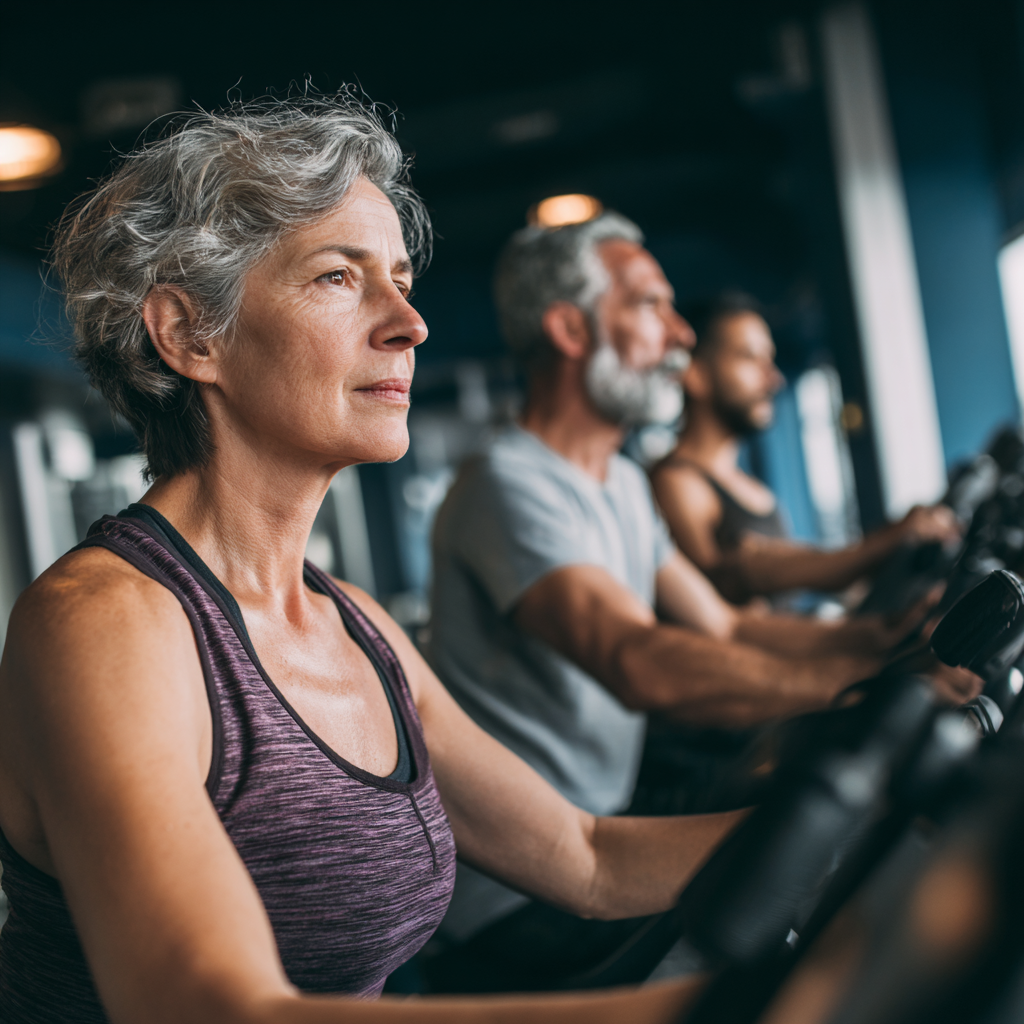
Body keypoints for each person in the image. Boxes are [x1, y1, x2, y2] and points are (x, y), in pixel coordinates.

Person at [0, 95, 745, 1024]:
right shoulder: (105, 626)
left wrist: (863, 824)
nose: (410, 323)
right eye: (338, 278)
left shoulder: (356, 624)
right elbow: (208, 1006)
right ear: (191, 335)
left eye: (400, 278)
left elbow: (586, 858)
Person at [425, 214, 976, 989]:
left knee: (834, 837)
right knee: (816, 916)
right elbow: (635, 660)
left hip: (608, 819)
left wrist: (890, 640)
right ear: (570, 330)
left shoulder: (621, 481)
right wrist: (876, 687)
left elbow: (727, 624)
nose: (681, 334)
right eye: (651, 305)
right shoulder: (506, 484)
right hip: (519, 889)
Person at [651, 291, 961, 605]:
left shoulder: (755, 491)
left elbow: (800, 595)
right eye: (749, 358)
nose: (773, 379)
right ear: (695, 373)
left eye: (769, 361)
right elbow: (722, 598)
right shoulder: (675, 482)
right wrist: (880, 544)